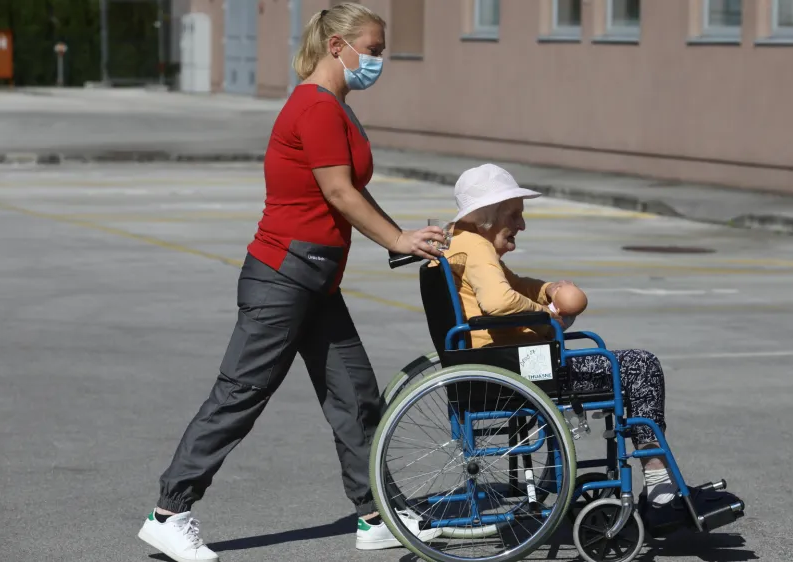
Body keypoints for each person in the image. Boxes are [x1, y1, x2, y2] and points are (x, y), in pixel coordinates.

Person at [137, 4, 446, 561]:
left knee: (355, 398)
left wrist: (404, 234)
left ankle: (375, 514)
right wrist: (395, 242)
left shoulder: (338, 107)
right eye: (372, 50)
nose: (379, 60)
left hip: (315, 281)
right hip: (281, 279)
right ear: (337, 47)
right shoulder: (315, 107)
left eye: (381, 50)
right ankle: (169, 511)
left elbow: (350, 188)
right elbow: (338, 194)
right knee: (241, 395)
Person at [434, 163, 678, 506]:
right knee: (640, 366)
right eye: (515, 215)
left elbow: (515, 285)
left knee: (619, 362)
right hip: (512, 370)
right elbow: (499, 300)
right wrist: (549, 316)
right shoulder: (477, 247)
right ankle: (659, 482)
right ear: (489, 214)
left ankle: (620, 473)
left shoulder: (464, 240)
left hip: (493, 363)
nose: (521, 224)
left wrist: (548, 289)